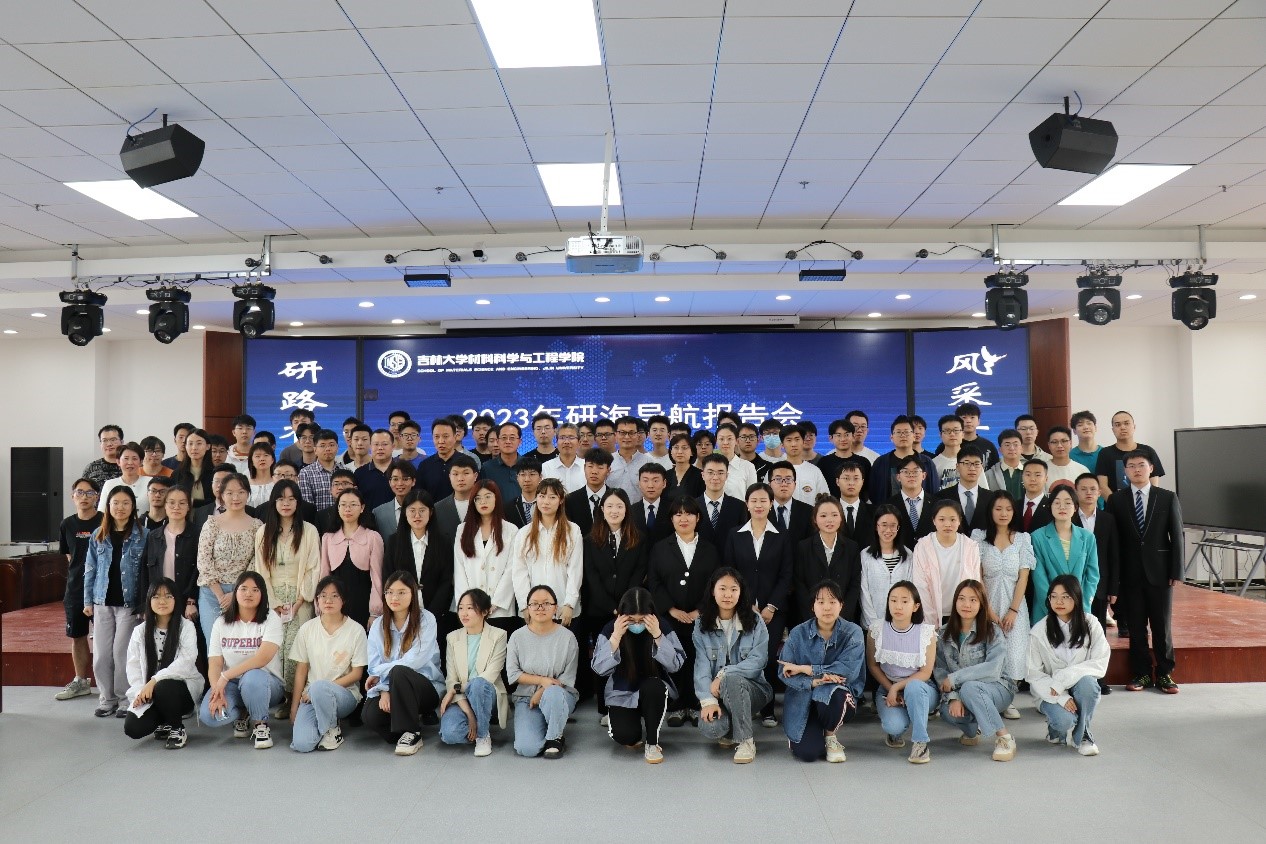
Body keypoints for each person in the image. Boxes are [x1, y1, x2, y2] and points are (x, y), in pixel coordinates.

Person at [1107, 449, 1184, 694]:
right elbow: (1113, 541)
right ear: (1125, 471)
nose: (1136, 469)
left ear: (1151, 468)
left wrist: (1177, 571)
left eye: (1141, 465)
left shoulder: (1167, 497)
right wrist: (1115, 577)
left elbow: (1177, 536)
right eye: (1131, 466)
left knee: (1162, 626)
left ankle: (1165, 673)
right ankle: (1140, 673)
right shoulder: (1116, 500)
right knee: (1136, 627)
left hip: (1160, 573)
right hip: (1129, 574)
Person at [724, 481, 793, 727]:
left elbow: (787, 574)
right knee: (742, 656)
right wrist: (744, 604)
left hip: (773, 611)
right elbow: (730, 572)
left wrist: (771, 606)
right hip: (741, 609)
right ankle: (745, 705)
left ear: (771, 504)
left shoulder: (782, 535)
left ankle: (768, 710)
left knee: (768, 658)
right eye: (754, 500)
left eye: (764, 500)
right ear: (747, 504)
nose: (759, 505)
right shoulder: (735, 534)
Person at [591, 587, 685, 764]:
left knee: (653, 686)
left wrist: (658, 635)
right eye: (631, 620)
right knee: (626, 736)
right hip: (622, 692)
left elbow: (675, 665)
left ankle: (652, 742)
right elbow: (599, 668)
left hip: (654, 691)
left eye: (642, 620)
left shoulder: (662, 626)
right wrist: (615, 637)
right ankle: (624, 720)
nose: (636, 625)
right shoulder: (610, 628)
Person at [648, 495, 720, 727]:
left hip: (702, 617)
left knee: (700, 660)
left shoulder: (710, 549)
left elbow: (715, 583)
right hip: (670, 618)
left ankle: (698, 705)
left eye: (689, 513)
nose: (683, 518)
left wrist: (700, 610)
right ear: (671, 519)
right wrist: (671, 609)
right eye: (678, 514)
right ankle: (677, 707)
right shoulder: (660, 548)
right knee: (673, 660)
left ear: (698, 518)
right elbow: (655, 583)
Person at [778, 579, 865, 763]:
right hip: (804, 697)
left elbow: (848, 671)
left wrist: (806, 669)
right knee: (808, 753)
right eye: (821, 602)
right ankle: (812, 734)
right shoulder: (798, 633)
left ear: (841, 605)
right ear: (812, 606)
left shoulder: (853, 632)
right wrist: (813, 681)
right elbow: (783, 671)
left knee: (834, 692)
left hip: (835, 698)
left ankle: (830, 735)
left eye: (832, 602)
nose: (827, 607)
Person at [250, 479, 320, 703]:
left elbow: (313, 568)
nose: (286, 503)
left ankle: (295, 698)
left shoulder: (309, 531)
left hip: (300, 598)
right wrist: (273, 602)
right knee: (275, 648)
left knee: (297, 649)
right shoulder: (263, 532)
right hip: (273, 598)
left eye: (291, 499)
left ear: (298, 502)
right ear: (274, 502)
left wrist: (299, 601)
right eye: (281, 499)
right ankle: (278, 698)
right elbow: (261, 571)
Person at [198, 571, 285, 749]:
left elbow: (262, 659)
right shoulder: (221, 622)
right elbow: (215, 663)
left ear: (262, 594)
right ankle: (243, 712)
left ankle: (260, 724)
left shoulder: (271, 619)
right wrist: (217, 691)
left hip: (266, 684)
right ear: (235, 592)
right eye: (243, 589)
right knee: (210, 716)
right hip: (232, 684)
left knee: (253, 677)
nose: (248, 594)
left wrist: (225, 676)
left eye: (255, 590)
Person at [693, 567, 771, 764]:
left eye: (734, 589)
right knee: (713, 728)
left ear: (741, 592)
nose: (728, 595)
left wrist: (723, 674)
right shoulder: (701, 623)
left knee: (732, 679)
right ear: (713, 591)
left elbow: (758, 661)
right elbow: (701, 665)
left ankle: (746, 741)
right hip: (717, 693)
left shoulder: (755, 621)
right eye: (722, 589)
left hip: (755, 689)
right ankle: (734, 723)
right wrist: (708, 700)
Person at [362, 571, 444, 754]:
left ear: (413, 593)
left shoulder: (427, 619)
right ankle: (403, 730)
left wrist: (383, 678)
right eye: (390, 592)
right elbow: (373, 666)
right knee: (370, 716)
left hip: (426, 689)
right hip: (391, 686)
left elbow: (414, 661)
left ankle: (412, 732)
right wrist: (384, 690)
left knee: (400, 671)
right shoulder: (377, 625)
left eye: (401, 592)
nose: (394, 597)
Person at [583, 488, 648, 720]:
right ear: (602, 509)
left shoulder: (639, 539)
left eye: (619, 506)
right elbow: (591, 577)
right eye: (609, 506)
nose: (614, 511)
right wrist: (610, 607)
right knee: (604, 657)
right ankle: (605, 708)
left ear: (626, 510)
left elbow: (639, 573)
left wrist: (624, 607)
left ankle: (629, 703)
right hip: (599, 610)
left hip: (629, 611)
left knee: (628, 656)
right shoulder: (589, 540)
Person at [83, 486, 148, 718]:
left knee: (122, 654)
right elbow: (90, 569)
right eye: (116, 503)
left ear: (133, 507)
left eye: (125, 503)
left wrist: (144, 604)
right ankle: (106, 698)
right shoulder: (98, 534)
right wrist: (87, 600)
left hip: (128, 605)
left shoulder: (144, 535)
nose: (120, 507)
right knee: (101, 655)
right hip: (102, 602)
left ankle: (124, 699)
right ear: (108, 506)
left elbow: (147, 572)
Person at [1026, 575, 1109, 755]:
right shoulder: (1039, 631)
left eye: (1065, 596)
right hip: (1050, 692)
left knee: (1088, 684)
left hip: (1079, 687)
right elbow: (1034, 674)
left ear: (1076, 597)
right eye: (1054, 596)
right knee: (1064, 721)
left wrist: (1063, 678)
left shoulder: (1091, 624)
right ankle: (1056, 730)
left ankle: (1083, 736)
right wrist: (1062, 697)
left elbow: (1100, 662)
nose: (1059, 602)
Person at [934, 579, 1016, 761]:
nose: (967, 604)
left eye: (973, 600)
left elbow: (993, 669)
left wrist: (956, 679)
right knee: (947, 711)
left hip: (998, 688)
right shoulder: (943, 634)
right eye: (962, 599)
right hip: (964, 692)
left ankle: (1005, 738)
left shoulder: (992, 631)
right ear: (955, 601)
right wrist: (954, 697)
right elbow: (940, 671)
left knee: (970, 688)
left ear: (981, 604)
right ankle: (972, 730)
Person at [289, 575, 370, 752]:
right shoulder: (307, 629)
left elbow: (357, 674)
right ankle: (324, 721)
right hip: (310, 696)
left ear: (343, 600)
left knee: (319, 687)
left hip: (344, 695)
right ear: (317, 600)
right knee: (302, 744)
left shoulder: (356, 630)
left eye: (335, 596)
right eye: (323, 596)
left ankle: (332, 730)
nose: (328, 600)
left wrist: (321, 689)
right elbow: (301, 670)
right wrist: (294, 706)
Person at [121, 577, 203, 748]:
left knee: (164, 686)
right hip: (151, 692)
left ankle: (177, 728)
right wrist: (140, 693)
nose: (162, 601)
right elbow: (133, 667)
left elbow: (186, 662)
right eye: (156, 596)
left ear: (176, 600)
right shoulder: (140, 631)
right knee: (133, 728)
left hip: (181, 690)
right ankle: (165, 719)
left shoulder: (186, 627)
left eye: (168, 596)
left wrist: (154, 680)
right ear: (149, 600)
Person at [971, 491, 1034, 711]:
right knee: (987, 654)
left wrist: (1013, 610)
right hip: (985, 605)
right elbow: (977, 577)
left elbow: (1023, 577)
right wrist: (988, 610)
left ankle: (1008, 700)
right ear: (990, 511)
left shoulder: (1022, 539)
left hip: (1014, 606)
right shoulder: (978, 537)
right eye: (998, 508)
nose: (1003, 513)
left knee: (1014, 654)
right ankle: (987, 699)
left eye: (1008, 509)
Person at [866, 581, 938, 763]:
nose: (898, 606)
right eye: (893, 600)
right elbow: (873, 665)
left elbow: (925, 673)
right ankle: (897, 730)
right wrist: (891, 688)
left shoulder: (926, 633)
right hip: (887, 686)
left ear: (916, 606)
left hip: (921, 688)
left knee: (914, 688)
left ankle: (920, 743)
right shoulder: (876, 629)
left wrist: (897, 687)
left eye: (905, 601)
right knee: (893, 726)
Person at [507, 584, 580, 758]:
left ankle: (555, 738)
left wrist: (543, 690)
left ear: (555, 608)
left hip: (560, 694)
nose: (540, 608)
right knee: (527, 749)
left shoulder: (568, 637)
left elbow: (567, 677)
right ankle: (551, 723)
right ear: (528, 608)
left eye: (546, 603)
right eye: (535, 604)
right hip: (527, 698)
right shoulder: (517, 636)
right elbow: (513, 674)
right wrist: (541, 681)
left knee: (553, 694)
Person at [440, 588, 510, 756]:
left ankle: (483, 736)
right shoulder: (452, 637)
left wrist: (455, 690)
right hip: (462, 698)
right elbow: (451, 679)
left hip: (487, 693)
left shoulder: (499, 635)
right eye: (461, 608)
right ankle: (477, 722)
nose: (464, 613)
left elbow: (490, 675)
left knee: (478, 683)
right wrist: (469, 714)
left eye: (470, 608)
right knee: (450, 734)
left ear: (485, 611)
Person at [195, 473, 263, 644]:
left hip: (244, 593)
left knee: (240, 645)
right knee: (215, 644)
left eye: (241, 492)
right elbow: (203, 560)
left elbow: (256, 562)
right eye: (230, 493)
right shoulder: (212, 524)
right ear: (222, 495)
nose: (235, 497)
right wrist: (220, 595)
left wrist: (236, 593)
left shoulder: (257, 526)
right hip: (211, 594)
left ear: (248, 494)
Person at [55, 478, 103, 702]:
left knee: (106, 638)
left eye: (90, 493)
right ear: (72, 496)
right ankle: (81, 681)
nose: (84, 497)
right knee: (77, 635)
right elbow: (70, 557)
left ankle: (110, 684)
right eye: (80, 492)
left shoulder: (106, 520)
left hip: (103, 588)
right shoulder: (67, 524)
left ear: (97, 497)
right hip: (75, 589)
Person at [511, 478, 583, 626]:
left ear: (561, 500)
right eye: (542, 496)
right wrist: (525, 605)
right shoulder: (524, 533)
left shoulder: (572, 530)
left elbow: (575, 570)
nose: (546, 502)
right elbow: (519, 572)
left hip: (563, 608)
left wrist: (569, 603)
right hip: (533, 609)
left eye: (552, 497)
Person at [1073, 473, 1121, 692]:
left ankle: (1099, 680)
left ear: (1100, 492)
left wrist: (1113, 588)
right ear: (1076, 492)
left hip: (1099, 586)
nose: (1088, 493)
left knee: (1097, 634)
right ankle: (1075, 680)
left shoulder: (1107, 520)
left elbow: (1114, 555)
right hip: (1072, 585)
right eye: (1083, 489)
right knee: (1074, 635)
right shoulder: (1068, 517)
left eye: (1093, 489)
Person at [454, 481, 520, 631]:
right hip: (470, 611)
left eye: (488, 496)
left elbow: (511, 569)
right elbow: (459, 570)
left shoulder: (510, 530)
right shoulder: (462, 530)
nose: (483, 502)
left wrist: (495, 603)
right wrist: (468, 605)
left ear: (496, 498)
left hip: (501, 610)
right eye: (478, 498)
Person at [1030, 486, 1099, 623]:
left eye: (1068, 502)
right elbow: (1039, 579)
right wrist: (1054, 607)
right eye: (1057, 502)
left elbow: (1092, 575)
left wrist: (1082, 605)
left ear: (1075, 507)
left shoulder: (1087, 537)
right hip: (1047, 611)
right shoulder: (1037, 537)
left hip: (1079, 610)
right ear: (1050, 506)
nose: (1062, 507)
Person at [319, 487, 385, 628]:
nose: (347, 509)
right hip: (335, 603)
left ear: (362, 508)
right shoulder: (328, 538)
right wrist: (321, 606)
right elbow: (324, 575)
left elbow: (377, 577)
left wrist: (375, 612)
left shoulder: (373, 537)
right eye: (343, 504)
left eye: (353, 504)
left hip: (363, 602)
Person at [138, 485, 198, 636]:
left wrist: (192, 600)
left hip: (186, 601)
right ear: (165, 505)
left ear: (188, 506)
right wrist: (144, 605)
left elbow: (199, 570)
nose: (176, 507)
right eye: (171, 502)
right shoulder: (154, 536)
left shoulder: (198, 534)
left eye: (182, 503)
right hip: (159, 600)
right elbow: (145, 572)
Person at [911, 500, 982, 626]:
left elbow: (975, 583)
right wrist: (931, 623)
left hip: (963, 614)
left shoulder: (970, 546)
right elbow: (920, 586)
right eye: (942, 519)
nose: (947, 524)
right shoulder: (922, 546)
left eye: (953, 519)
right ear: (934, 520)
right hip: (931, 614)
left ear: (959, 520)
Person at [795, 496, 862, 625]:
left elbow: (854, 584)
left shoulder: (851, 547)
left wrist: (841, 614)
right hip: (811, 617)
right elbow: (800, 584)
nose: (829, 520)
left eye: (834, 515)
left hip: (843, 618)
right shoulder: (804, 547)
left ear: (841, 518)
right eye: (823, 515)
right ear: (815, 519)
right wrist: (814, 613)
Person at [859, 505, 913, 630]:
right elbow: (863, 592)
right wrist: (874, 624)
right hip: (872, 625)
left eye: (893, 525)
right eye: (884, 525)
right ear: (876, 526)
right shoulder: (865, 555)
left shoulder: (908, 555)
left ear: (898, 527)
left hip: (902, 624)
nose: (888, 530)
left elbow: (910, 590)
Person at [869, 416, 938, 503]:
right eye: (898, 432)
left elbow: (934, 490)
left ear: (914, 436)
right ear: (891, 437)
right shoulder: (881, 462)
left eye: (906, 432)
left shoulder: (926, 462)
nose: (903, 435)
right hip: (888, 510)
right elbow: (873, 492)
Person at [1095, 410, 1165, 495]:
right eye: (1118, 425)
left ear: (1134, 427)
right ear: (1113, 430)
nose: (1122, 427)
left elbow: (1154, 485)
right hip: (1114, 502)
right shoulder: (1105, 453)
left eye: (1126, 423)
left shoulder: (1148, 451)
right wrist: (1114, 502)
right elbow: (1102, 486)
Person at [936, 446, 994, 535]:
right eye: (967, 463)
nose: (972, 468)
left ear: (981, 467)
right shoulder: (942, 497)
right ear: (957, 467)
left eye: (976, 464)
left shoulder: (991, 498)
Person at [888, 454, 935, 549]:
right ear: (898, 477)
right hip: (900, 555)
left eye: (915, 471)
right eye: (906, 472)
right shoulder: (889, 506)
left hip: (930, 554)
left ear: (924, 475)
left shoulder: (937, 503)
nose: (911, 475)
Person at [564, 448, 613, 536]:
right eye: (590, 466)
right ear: (584, 468)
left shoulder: (616, 498)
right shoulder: (571, 500)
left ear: (608, 470)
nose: (594, 472)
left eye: (600, 467)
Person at [434, 453, 480, 542]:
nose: (460, 479)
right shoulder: (438, 508)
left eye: (466, 473)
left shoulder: (485, 505)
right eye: (455, 474)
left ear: (475, 476)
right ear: (449, 477)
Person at [778, 425, 829, 504]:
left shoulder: (814, 471)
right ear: (782, 444)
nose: (793, 444)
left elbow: (825, 501)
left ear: (803, 441)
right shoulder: (775, 470)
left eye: (797, 439)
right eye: (789, 440)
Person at [418, 418, 462, 501]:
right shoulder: (425, 465)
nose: (441, 441)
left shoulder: (466, 462)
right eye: (436, 437)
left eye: (445, 436)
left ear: (455, 437)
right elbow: (419, 496)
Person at [479, 422, 525, 502]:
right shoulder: (487, 468)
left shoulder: (529, 465)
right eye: (504, 438)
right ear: (498, 441)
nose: (508, 441)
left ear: (520, 442)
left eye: (512, 438)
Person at [98, 442, 151, 509]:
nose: (130, 463)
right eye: (126, 458)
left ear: (141, 462)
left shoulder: (150, 482)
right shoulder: (109, 484)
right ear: (118, 462)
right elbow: (102, 511)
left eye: (134, 459)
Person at [631, 463, 674, 546]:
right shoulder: (631, 511)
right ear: (639, 483)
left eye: (655, 481)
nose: (650, 486)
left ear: (664, 483)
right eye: (645, 480)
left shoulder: (673, 509)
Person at [610, 416, 650, 503]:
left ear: (637, 436)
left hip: (639, 510)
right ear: (615, 435)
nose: (627, 437)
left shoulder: (648, 462)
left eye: (631, 433)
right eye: (622, 433)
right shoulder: (607, 461)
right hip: (612, 510)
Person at [373, 460, 417, 538]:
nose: (400, 483)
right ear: (389, 482)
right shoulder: (378, 513)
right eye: (395, 479)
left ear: (413, 481)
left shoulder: (424, 509)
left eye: (405, 479)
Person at [836, 461, 874, 548]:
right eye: (846, 478)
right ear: (837, 481)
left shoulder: (874, 512)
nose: (851, 483)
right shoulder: (829, 512)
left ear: (862, 482)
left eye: (856, 478)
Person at [713, 425, 757, 500]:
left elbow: (753, 497)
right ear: (716, 441)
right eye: (721, 439)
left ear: (737, 441)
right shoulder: (710, 466)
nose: (725, 442)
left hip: (740, 507)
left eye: (729, 439)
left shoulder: (748, 467)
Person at [172, 428, 215, 506]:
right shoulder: (178, 473)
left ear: (208, 446)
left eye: (199, 443)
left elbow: (218, 501)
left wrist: (193, 502)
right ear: (185, 446)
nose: (194, 448)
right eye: (190, 443)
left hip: (210, 513)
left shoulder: (215, 473)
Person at [542, 422, 585, 493]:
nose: (566, 442)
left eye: (571, 437)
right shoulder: (546, 467)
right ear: (556, 442)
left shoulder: (587, 467)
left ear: (579, 442)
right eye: (562, 438)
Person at [665, 433, 705, 502]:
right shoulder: (665, 475)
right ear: (671, 451)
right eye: (676, 447)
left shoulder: (700, 476)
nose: (680, 452)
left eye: (684, 448)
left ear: (692, 452)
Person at [505, 457, 542, 528]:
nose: (527, 479)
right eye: (523, 474)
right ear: (517, 478)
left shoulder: (547, 504)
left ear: (540, 477)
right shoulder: (509, 508)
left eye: (532, 474)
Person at [244, 442, 276, 509]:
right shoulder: (245, 485)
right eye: (257, 456)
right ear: (252, 461)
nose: (262, 459)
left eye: (266, 455)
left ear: (272, 460)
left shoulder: (278, 483)